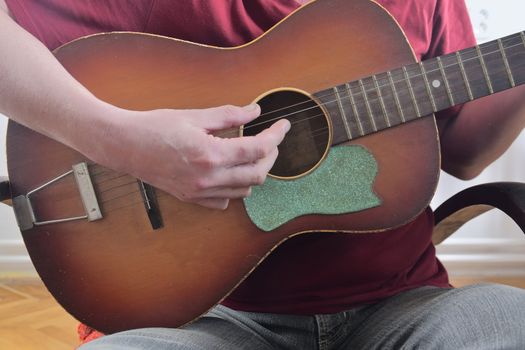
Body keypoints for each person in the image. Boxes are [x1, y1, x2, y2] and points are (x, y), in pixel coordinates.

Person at [1, 0, 525, 349]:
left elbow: (460, 150)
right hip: (198, 322)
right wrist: (119, 141)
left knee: (507, 318)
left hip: (403, 305)